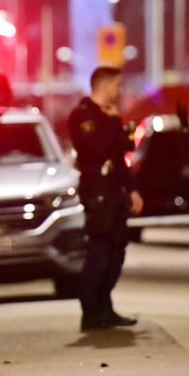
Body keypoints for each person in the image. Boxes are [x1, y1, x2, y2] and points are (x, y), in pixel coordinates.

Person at [67, 66, 144, 331]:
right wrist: (114, 122)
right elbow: (98, 147)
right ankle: (91, 312)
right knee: (99, 251)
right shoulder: (83, 116)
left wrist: (131, 189)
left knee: (115, 251)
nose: (120, 91)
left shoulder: (110, 116)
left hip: (114, 191)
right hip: (97, 191)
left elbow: (121, 157)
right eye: (117, 85)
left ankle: (106, 307)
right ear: (104, 85)